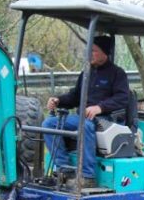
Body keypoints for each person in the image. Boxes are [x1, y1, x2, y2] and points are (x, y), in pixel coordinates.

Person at [42, 35, 130, 188]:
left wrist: (100, 107)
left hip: (107, 119)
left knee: (86, 126)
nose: (89, 54)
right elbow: (75, 97)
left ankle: (88, 176)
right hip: (83, 117)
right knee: (49, 123)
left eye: (94, 51)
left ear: (105, 53)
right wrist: (58, 100)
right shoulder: (86, 73)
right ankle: (64, 169)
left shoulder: (117, 73)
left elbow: (123, 98)